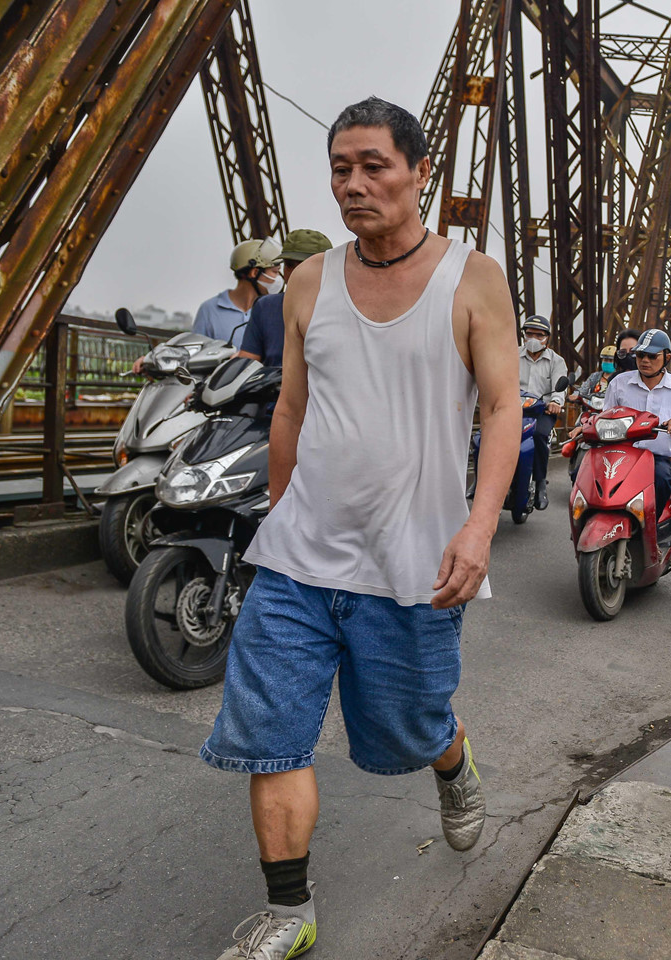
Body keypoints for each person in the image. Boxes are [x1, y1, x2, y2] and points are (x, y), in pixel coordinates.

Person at [200, 96, 520, 960]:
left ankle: (451, 757)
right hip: (301, 559)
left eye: (373, 165)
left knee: (405, 729)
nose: (353, 183)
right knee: (270, 735)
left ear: (420, 172)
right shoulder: (309, 281)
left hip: (412, 564)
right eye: (340, 168)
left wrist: (480, 526)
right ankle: (287, 912)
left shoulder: (473, 278)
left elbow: (501, 406)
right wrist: (274, 522)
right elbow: (291, 412)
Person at [130, 238, 281, 373]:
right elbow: (192, 351)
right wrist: (152, 360)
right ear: (254, 272)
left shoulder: (272, 310)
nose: (278, 279)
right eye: (274, 272)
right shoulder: (210, 310)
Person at [602, 327, 671, 532]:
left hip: (657, 457)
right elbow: (605, 415)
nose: (645, 360)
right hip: (619, 453)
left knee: (662, 477)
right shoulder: (619, 383)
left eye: (652, 356)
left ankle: (650, 530)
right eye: (640, 355)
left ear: (667, 357)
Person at [239, 229, 335, 367]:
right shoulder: (265, 307)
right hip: (275, 387)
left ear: (327, 267)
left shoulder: (344, 307)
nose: (295, 273)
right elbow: (246, 363)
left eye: (304, 265)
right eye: (289, 265)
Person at [517, 314, 568, 509]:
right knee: (489, 434)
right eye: (529, 334)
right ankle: (480, 481)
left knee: (539, 436)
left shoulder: (557, 361)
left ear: (547, 338)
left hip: (541, 411)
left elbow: (559, 387)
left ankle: (540, 483)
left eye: (539, 335)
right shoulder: (512, 355)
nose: (533, 339)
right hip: (514, 408)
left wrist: (555, 401)